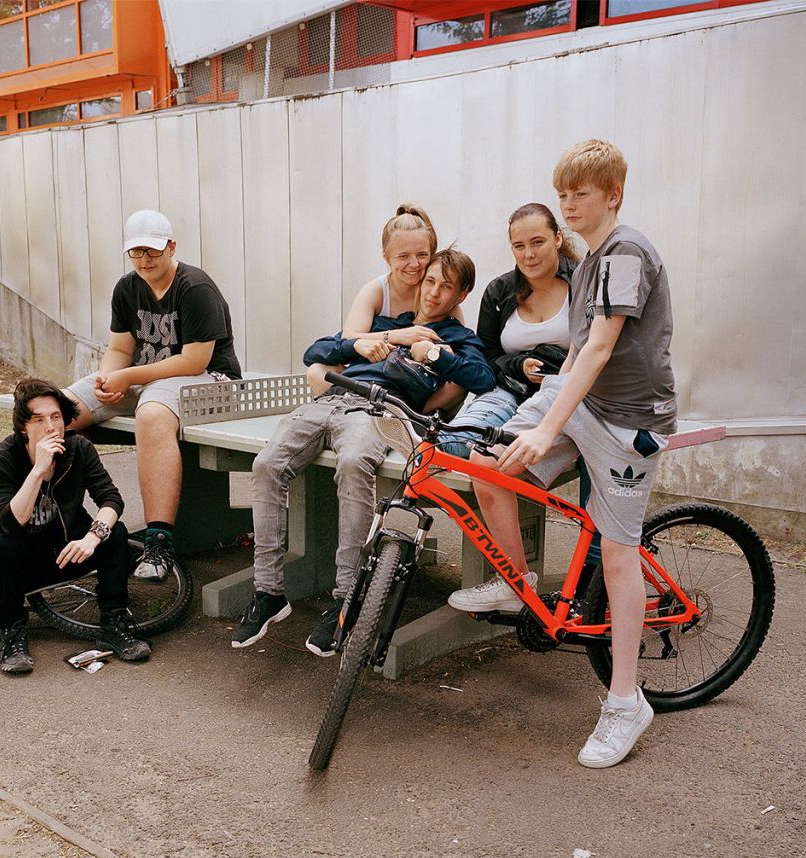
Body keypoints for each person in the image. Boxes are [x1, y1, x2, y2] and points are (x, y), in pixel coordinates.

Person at [449, 139, 677, 769]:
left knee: (618, 558)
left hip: (628, 421)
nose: (570, 205)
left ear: (614, 195)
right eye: (563, 195)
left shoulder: (626, 252)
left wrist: (548, 429)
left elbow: (602, 347)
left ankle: (626, 701)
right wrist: (546, 415)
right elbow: (578, 353)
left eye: (581, 194)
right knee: (493, 472)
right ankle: (518, 587)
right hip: (579, 402)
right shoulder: (592, 259)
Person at [232, 249, 495, 656]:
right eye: (430, 281)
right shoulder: (392, 324)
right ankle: (268, 592)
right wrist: (388, 338)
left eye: (447, 287)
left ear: (461, 295)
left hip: (376, 410)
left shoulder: (459, 339)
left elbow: (481, 377)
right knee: (266, 465)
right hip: (329, 401)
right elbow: (317, 351)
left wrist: (433, 353)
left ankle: (346, 598)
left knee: (355, 466)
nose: (434, 292)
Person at [64, 209, 240, 584]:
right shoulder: (127, 288)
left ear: (171, 246)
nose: (145, 260)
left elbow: (195, 360)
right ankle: (53, 523)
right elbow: (119, 348)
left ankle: (160, 541)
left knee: (152, 414)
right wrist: (109, 378)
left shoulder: (196, 287)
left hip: (210, 379)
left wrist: (127, 376)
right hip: (149, 378)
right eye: (137, 252)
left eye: (153, 251)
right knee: (55, 411)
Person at [0, 378, 151, 674]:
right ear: (23, 427)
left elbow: (111, 499)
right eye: (39, 419)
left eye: (56, 417)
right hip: (23, 563)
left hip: (71, 549)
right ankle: (12, 634)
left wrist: (93, 538)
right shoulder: (2, 459)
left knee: (115, 532)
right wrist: (39, 469)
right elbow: (9, 521)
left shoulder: (79, 448)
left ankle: (114, 624)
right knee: (4, 544)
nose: (51, 427)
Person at [438, 203, 578, 459]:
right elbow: (486, 360)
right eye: (519, 246)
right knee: (454, 442)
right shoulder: (499, 291)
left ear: (557, 238)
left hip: (565, 394)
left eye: (537, 242)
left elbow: (599, 348)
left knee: (496, 453)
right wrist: (519, 365)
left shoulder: (582, 284)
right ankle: (422, 441)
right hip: (509, 388)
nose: (529, 255)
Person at [305, 204, 443, 397]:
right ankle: (351, 409)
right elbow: (349, 337)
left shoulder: (437, 289)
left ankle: (416, 420)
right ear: (386, 257)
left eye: (422, 255)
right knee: (316, 371)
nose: (414, 264)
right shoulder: (376, 290)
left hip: (418, 381)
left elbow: (458, 346)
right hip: (372, 375)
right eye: (403, 256)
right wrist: (399, 336)